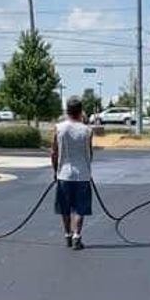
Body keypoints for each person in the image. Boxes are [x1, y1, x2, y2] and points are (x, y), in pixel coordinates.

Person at [51, 96, 94, 249]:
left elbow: (54, 152)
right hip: (82, 174)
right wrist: (88, 169)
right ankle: (77, 235)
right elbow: (89, 152)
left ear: (67, 111)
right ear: (81, 111)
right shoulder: (87, 130)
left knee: (65, 207)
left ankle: (67, 234)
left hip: (64, 174)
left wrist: (55, 171)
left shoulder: (58, 128)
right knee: (80, 207)